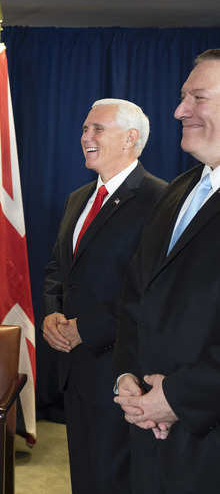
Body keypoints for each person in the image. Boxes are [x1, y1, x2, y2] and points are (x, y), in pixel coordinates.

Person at [42, 99, 167, 494]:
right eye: (84, 129)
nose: (85, 137)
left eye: (97, 129)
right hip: (74, 371)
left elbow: (154, 291)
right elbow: (57, 271)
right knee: (85, 476)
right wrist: (52, 314)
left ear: (131, 138)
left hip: (121, 371)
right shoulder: (78, 199)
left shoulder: (160, 200)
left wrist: (89, 329)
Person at [113, 48, 220, 494]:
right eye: (182, 97)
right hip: (152, 433)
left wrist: (176, 398)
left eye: (198, 98)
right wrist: (128, 381)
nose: (179, 111)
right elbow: (137, 296)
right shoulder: (180, 190)